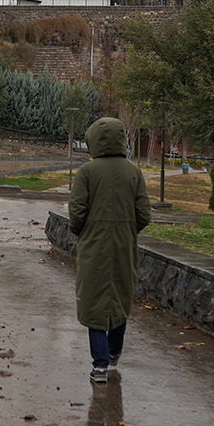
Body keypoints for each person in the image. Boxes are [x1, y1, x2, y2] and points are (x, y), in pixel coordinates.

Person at [68, 116, 151, 383]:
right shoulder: (134, 172)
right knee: (120, 297)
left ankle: (99, 366)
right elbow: (144, 214)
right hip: (124, 246)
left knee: (93, 302)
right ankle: (114, 353)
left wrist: (84, 231)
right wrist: (127, 230)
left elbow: (77, 212)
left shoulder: (86, 172)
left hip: (94, 245)